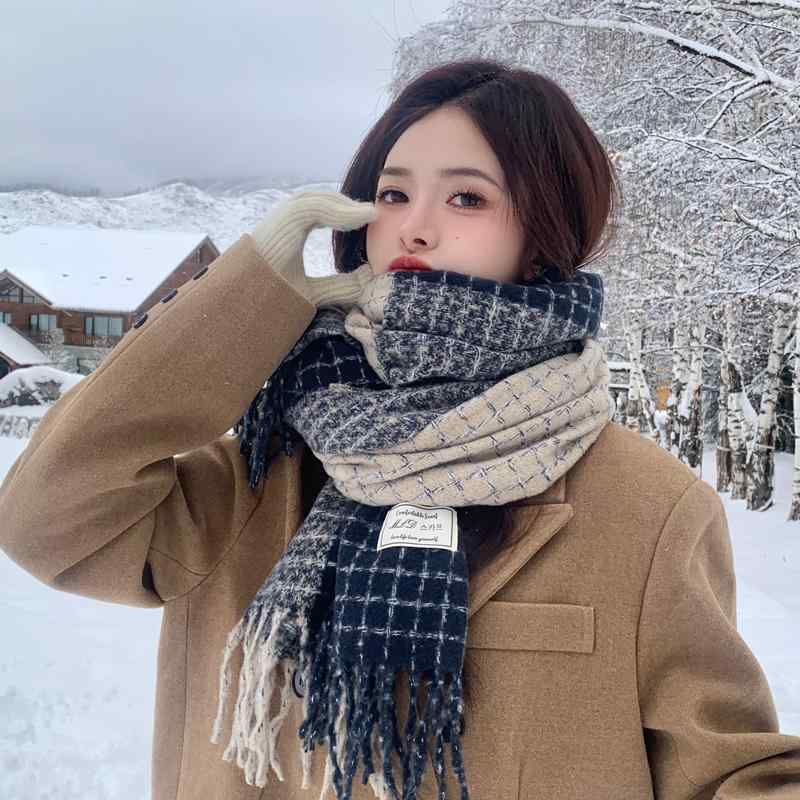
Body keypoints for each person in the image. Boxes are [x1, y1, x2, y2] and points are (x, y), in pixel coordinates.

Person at [1, 58, 799, 800]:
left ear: (542, 233)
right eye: (391, 194)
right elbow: (48, 521)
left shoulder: (649, 513)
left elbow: (729, 774)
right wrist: (249, 297)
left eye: (466, 198)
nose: (413, 228)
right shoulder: (258, 478)